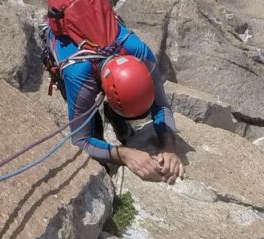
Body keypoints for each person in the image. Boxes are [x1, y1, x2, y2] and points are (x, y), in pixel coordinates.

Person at [41, 0, 183, 184]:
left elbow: (161, 105)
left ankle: (116, 119)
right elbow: (81, 140)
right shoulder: (77, 74)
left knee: (127, 113)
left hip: (103, 53)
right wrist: (124, 155)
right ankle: (106, 176)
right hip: (76, 60)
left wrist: (169, 146)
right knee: (93, 126)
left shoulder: (138, 51)